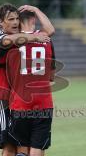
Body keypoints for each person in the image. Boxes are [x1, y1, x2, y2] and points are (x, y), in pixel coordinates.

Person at [0, 3, 53, 156]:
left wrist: (36, 13)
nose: (14, 22)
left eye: (16, 19)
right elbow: (6, 42)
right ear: (1, 22)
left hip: (18, 100)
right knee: (8, 146)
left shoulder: (22, 37)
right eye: (10, 19)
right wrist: (34, 36)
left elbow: (49, 32)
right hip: (1, 98)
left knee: (22, 146)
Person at [6, 9, 56, 156]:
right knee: (38, 147)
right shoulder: (46, 39)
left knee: (22, 148)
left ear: (18, 22)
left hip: (20, 102)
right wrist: (35, 9)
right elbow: (52, 76)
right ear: (34, 20)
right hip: (43, 102)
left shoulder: (13, 41)